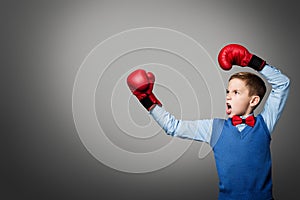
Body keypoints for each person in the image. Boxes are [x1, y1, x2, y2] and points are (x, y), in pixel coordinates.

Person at [126, 44, 290, 200]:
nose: (228, 96)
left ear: (253, 100)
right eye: (227, 91)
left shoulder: (265, 123)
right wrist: (146, 100)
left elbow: (283, 84)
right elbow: (173, 127)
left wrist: (250, 60)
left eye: (236, 92)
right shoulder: (214, 128)